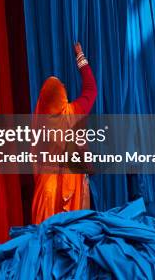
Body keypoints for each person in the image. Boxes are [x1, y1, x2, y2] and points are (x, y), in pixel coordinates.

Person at [32, 42, 97, 223]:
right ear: (62, 97)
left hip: (45, 193)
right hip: (71, 194)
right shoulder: (72, 114)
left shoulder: (39, 125)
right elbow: (91, 89)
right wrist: (80, 56)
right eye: (63, 88)